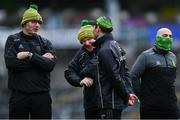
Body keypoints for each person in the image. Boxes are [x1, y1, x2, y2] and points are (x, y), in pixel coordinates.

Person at [4, 4, 56, 119]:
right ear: (24, 23)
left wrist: (30, 55)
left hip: (42, 96)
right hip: (19, 96)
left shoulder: (45, 43)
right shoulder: (13, 40)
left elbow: (50, 65)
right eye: (33, 21)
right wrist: (40, 60)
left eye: (39, 22)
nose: (37, 25)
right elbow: (11, 63)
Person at [88, 16, 137, 119]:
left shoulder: (104, 50)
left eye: (94, 27)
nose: (92, 29)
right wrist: (128, 92)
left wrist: (126, 95)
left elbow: (114, 77)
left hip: (109, 104)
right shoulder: (116, 46)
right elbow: (125, 72)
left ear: (98, 28)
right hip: (115, 103)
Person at [131, 28, 180, 119]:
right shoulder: (146, 56)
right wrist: (142, 96)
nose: (168, 38)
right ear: (157, 38)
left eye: (170, 36)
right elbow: (133, 76)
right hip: (151, 108)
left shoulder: (172, 57)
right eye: (165, 36)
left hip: (171, 107)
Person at [64, 20, 98, 119]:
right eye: (83, 41)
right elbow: (69, 72)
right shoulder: (81, 54)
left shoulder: (105, 49)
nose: (87, 43)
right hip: (90, 103)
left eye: (89, 39)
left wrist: (83, 73)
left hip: (107, 102)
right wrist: (80, 81)